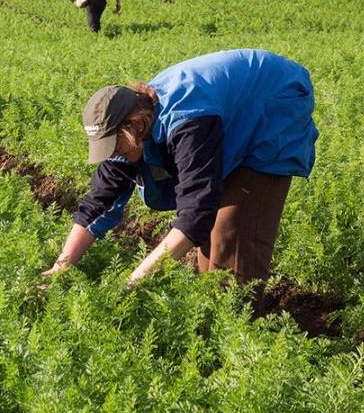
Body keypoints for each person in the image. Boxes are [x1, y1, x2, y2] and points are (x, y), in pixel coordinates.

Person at [42, 49, 318, 286]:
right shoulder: (130, 133)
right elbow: (98, 204)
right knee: (209, 243)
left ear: (134, 126)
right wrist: (61, 267)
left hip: (273, 104)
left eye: (115, 146)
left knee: (232, 234)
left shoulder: (187, 123)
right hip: (229, 112)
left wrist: (134, 282)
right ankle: (212, 312)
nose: (114, 155)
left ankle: (237, 326)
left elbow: (195, 214)